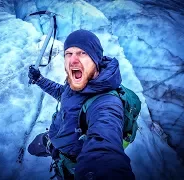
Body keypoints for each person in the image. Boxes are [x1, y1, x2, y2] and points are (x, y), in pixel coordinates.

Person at [28, 29, 135, 180]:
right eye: (68, 54)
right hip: (57, 138)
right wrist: (39, 80)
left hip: (71, 160)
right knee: (32, 148)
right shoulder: (79, 82)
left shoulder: (106, 103)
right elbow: (63, 94)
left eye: (82, 53)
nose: (73, 60)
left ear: (96, 59)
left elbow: (104, 147)